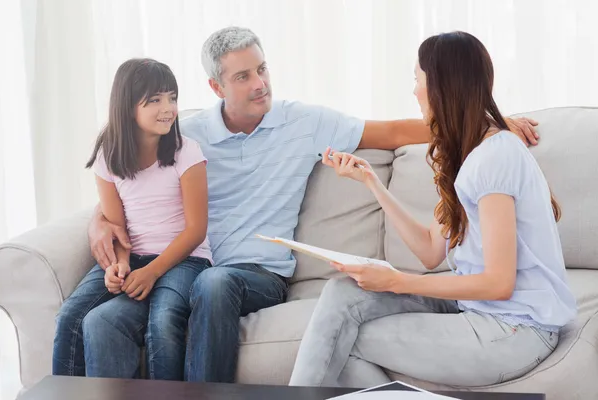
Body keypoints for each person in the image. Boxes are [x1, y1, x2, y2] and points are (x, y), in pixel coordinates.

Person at [86, 27, 540, 383]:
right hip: (187, 265)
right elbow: (131, 177)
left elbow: (395, 133)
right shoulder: (188, 135)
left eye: (262, 69)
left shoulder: (304, 122)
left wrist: (487, 121)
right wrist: (99, 222)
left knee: (215, 285)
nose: (260, 84)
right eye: (243, 76)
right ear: (215, 85)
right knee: (103, 320)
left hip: (255, 275)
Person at [289, 31, 577, 388]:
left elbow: (500, 283)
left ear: (441, 86)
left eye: (417, 79)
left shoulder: (495, 157)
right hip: (476, 310)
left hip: (515, 331)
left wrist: (395, 281)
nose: (413, 91)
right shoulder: (470, 152)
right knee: (341, 294)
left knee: (342, 340)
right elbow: (429, 251)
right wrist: (371, 183)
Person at [52, 58, 212, 381]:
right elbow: (117, 227)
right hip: (135, 257)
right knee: (71, 315)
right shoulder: (107, 156)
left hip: (186, 259)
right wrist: (119, 266)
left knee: (163, 320)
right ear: (127, 107)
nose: (168, 108)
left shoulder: (186, 151)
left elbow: (197, 230)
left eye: (172, 97)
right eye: (154, 100)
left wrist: (151, 271)